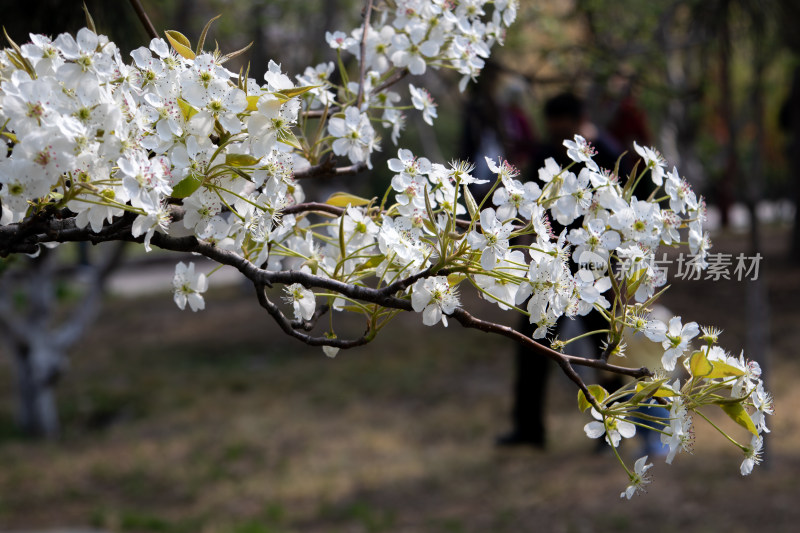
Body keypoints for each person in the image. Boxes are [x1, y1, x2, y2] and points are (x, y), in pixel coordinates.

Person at [497, 92, 625, 448]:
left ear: (582, 120)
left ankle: (610, 426)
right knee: (533, 345)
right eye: (553, 130)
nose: (559, 136)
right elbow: (532, 204)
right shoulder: (546, 151)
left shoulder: (609, 155)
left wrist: (616, 274)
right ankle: (529, 429)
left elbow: (626, 213)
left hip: (593, 269)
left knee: (604, 349)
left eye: (564, 128)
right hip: (550, 267)